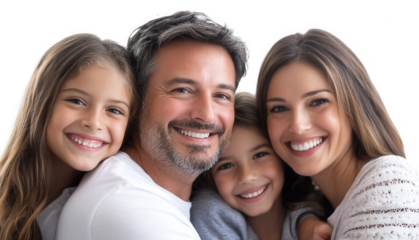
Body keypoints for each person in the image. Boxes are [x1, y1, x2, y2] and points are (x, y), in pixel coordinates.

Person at [56, 10, 251, 239]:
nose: (207, 115)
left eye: (221, 95)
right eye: (183, 90)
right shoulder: (133, 211)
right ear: (136, 102)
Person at [255, 28, 419, 239]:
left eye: (318, 102)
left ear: (354, 103)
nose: (297, 125)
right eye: (279, 108)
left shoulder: (388, 183)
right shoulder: (318, 207)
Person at [0, 33, 138, 240]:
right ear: (40, 102)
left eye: (114, 110)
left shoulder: (113, 205)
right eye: (77, 101)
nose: (94, 122)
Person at [191, 91, 333, 240]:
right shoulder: (210, 212)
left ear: (282, 156)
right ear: (209, 175)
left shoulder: (318, 218)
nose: (246, 176)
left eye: (259, 155)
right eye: (226, 166)